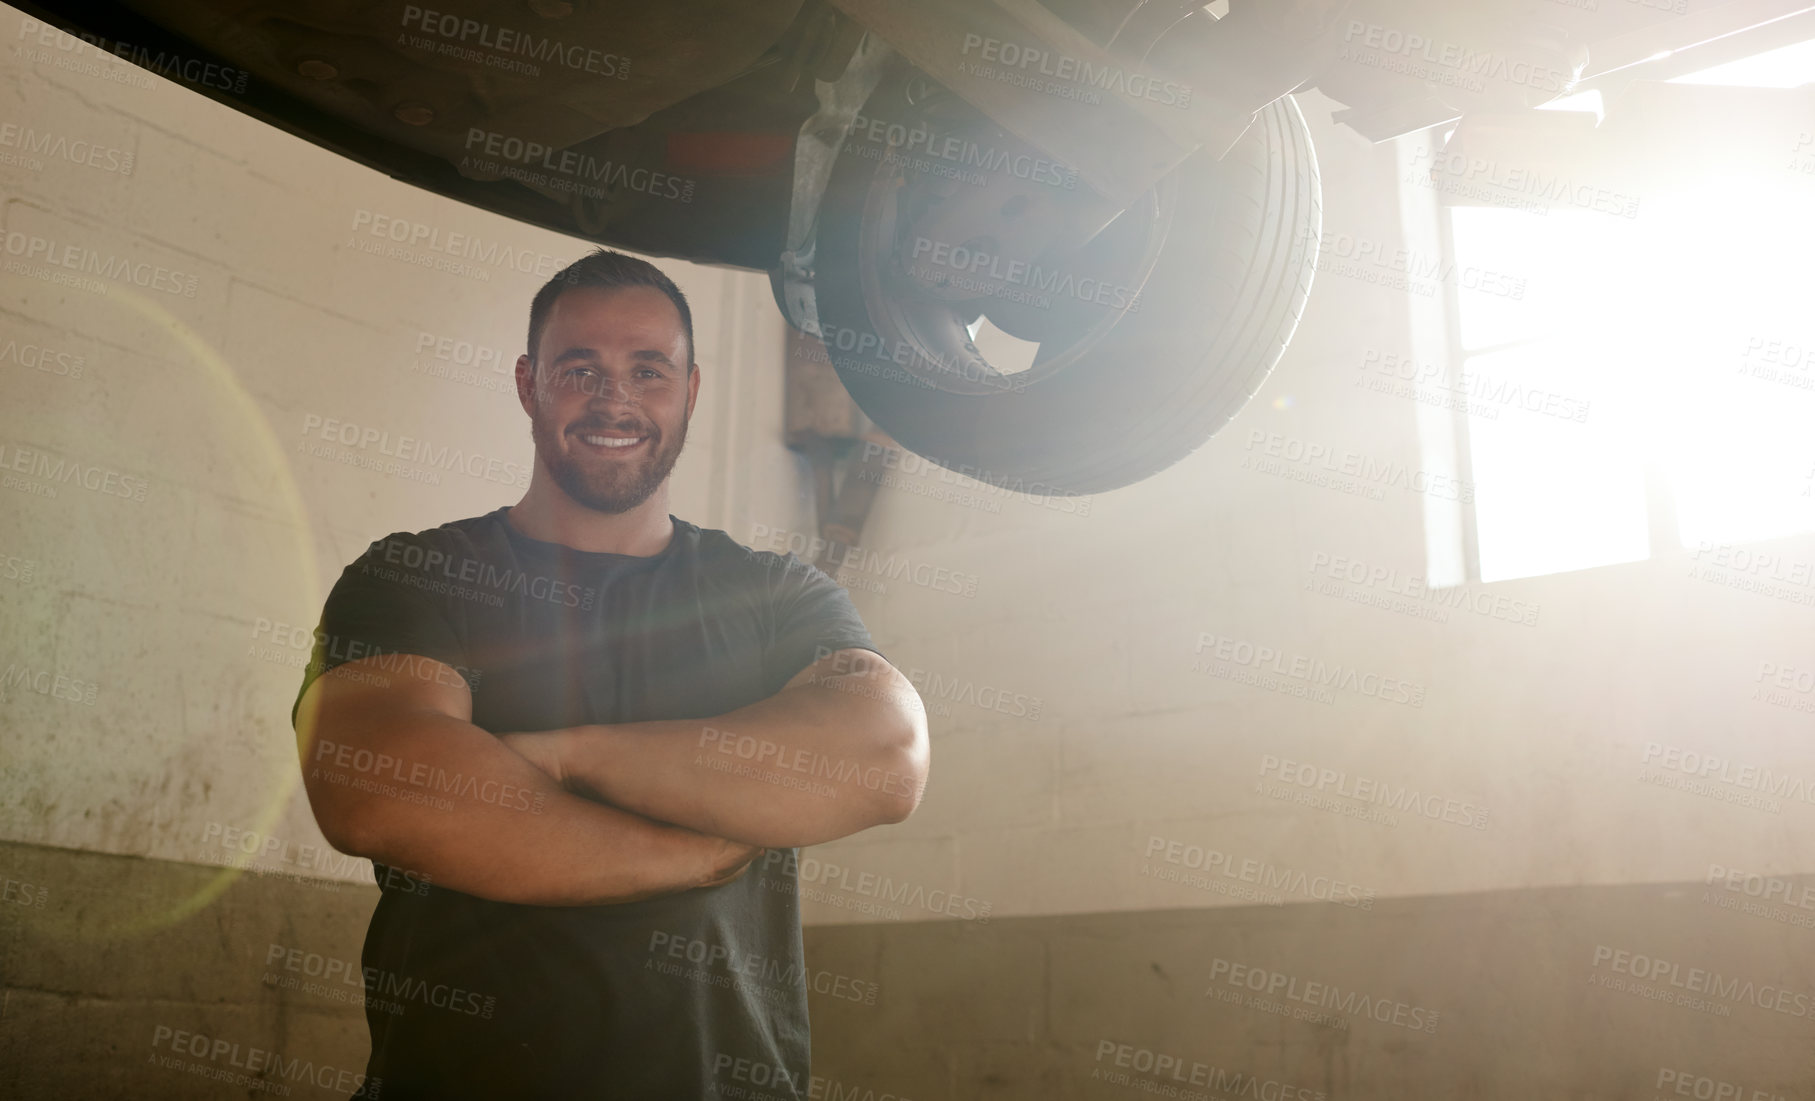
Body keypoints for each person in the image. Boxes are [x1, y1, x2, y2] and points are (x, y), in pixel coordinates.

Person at [290, 248, 930, 1100]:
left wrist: (563, 757)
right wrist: (692, 852)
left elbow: (883, 755)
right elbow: (374, 787)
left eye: (647, 369)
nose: (613, 397)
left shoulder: (776, 593)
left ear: (691, 390)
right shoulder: (416, 574)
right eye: (579, 368)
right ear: (528, 384)